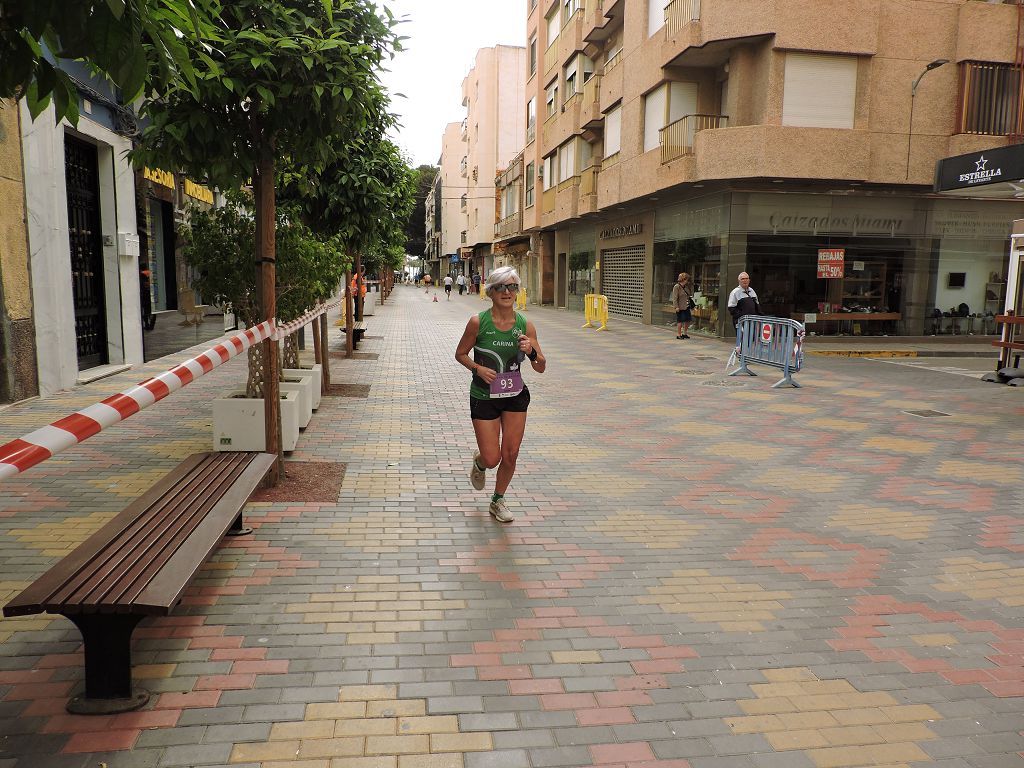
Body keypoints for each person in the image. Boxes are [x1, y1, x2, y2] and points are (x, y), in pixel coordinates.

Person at [455, 266, 546, 523]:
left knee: (511, 453)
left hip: (515, 395)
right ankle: (481, 462)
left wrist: (531, 352)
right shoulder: (478, 322)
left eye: (512, 287)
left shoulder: (525, 325)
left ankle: (498, 500)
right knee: (493, 457)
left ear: (517, 292)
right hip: (484, 396)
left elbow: (541, 366)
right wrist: (477, 368)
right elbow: (460, 354)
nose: (507, 292)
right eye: (500, 287)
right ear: (491, 292)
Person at [670, 272, 694, 339]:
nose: (687, 281)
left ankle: (685, 333)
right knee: (680, 321)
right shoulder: (677, 287)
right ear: (683, 279)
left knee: (688, 320)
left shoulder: (686, 287)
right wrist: (676, 306)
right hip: (680, 307)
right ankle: (679, 334)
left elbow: (689, 294)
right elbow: (675, 298)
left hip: (686, 306)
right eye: (686, 279)